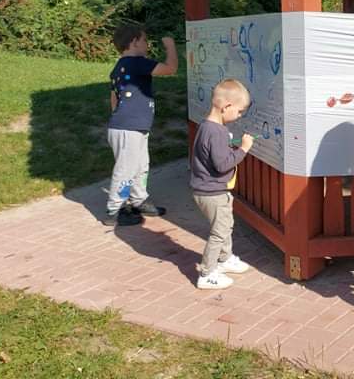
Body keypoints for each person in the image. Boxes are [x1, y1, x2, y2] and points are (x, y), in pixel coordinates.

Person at [105, 24, 177, 226]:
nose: (147, 44)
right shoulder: (137, 63)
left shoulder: (119, 66)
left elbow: (114, 97)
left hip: (131, 126)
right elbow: (170, 69)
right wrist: (170, 46)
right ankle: (115, 210)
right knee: (126, 169)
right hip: (128, 128)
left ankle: (139, 200)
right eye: (144, 40)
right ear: (134, 42)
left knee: (140, 165)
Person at [189, 79, 255, 290]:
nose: (239, 115)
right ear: (226, 106)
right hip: (213, 192)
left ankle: (225, 259)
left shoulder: (207, 126)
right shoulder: (217, 132)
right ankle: (207, 273)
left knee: (225, 225)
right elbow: (222, 164)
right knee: (219, 232)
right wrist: (243, 149)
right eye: (239, 111)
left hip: (208, 190)